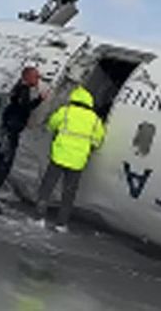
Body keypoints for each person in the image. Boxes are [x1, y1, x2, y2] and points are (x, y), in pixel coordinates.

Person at [0, 66, 47, 214]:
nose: (38, 80)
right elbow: (23, 108)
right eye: (35, 77)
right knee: (1, 168)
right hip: (10, 134)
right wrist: (39, 100)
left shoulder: (19, 89)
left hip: (8, 132)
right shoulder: (22, 91)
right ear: (27, 77)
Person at [35, 86, 105, 233]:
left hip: (59, 156)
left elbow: (51, 124)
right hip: (77, 162)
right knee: (68, 194)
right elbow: (98, 140)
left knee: (47, 187)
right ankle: (61, 224)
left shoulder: (65, 112)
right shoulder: (95, 120)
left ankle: (39, 218)